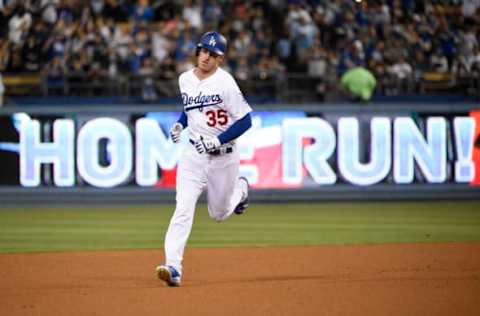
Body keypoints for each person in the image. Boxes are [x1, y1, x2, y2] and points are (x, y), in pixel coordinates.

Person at [156, 31, 252, 287]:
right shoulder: (185, 79)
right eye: (204, 51)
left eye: (213, 54)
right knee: (182, 208)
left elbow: (246, 120)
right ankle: (173, 267)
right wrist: (179, 124)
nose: (207, 57)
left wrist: (218, 140)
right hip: (193, 156)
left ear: (220, 59)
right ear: (198, 51)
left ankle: (240, 190)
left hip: (224, 157)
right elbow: (192, 110)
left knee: (218, 214)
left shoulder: (226, 83)